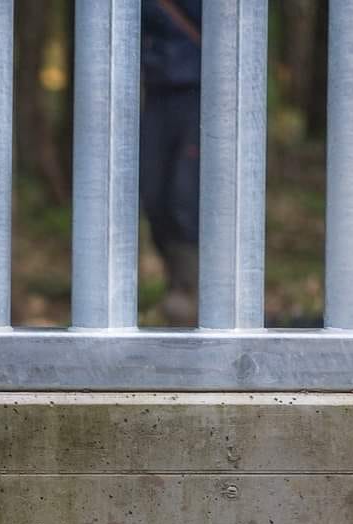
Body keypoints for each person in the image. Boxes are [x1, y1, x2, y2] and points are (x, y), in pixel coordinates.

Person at [140, 0, 201, 325]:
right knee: (153, 194)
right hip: (157, 86)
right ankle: (177, 280)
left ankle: (190, 289)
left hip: (200, 88)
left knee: (186, 195)